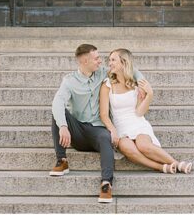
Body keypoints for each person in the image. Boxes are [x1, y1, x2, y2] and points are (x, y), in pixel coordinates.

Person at [49, 43, 148, 204]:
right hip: (78, 132)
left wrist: (143, 84)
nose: (100, 61)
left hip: (97, 131)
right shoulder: (69, 81)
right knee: (57, 112)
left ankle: (106, 183)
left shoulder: (104, 74)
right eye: (96, 58)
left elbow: (131, 70)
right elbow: (58, 103)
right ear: (85, 62)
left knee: (105, 137)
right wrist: (63, 126)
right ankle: (62, 160)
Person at [101, 48, 194, 175]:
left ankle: (176, 163)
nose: (110, 63)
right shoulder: (107, 85)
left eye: (113, 60)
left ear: (123, 63)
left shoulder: (135, 84)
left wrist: (149, 95)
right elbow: (104, 115)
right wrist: (113, 130)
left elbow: (139, 112)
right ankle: (160, 167)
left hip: (138, 123)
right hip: (121, 128)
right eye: (109, 60)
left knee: (143, 145)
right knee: (128, 148)